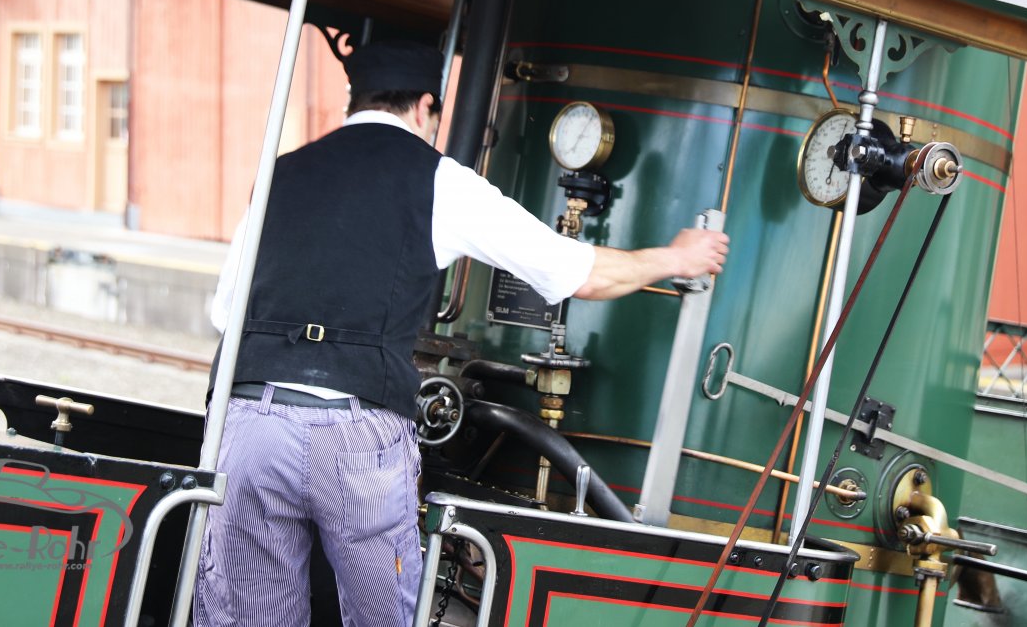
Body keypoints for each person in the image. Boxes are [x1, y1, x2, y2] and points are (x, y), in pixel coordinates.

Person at [194, 40, 729, 627]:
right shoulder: (438, 179)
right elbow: (577, 273)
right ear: (426, 107)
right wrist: (676, 258)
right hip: (354, 435)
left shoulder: (282, 172)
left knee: (247, 617)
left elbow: (226, 311)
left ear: (356, 100)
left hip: (249, 423)